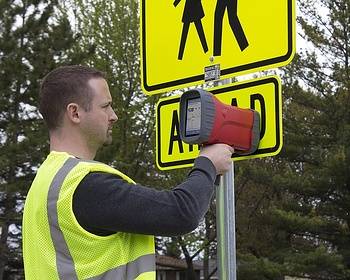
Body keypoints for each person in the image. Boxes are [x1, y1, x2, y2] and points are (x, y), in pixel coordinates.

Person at [22, 65, 234, 280]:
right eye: (105, 106)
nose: (113, 116)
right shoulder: (85, 184)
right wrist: (207, 164)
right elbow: (181, 213)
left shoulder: (45, 183)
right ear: (75, 113)